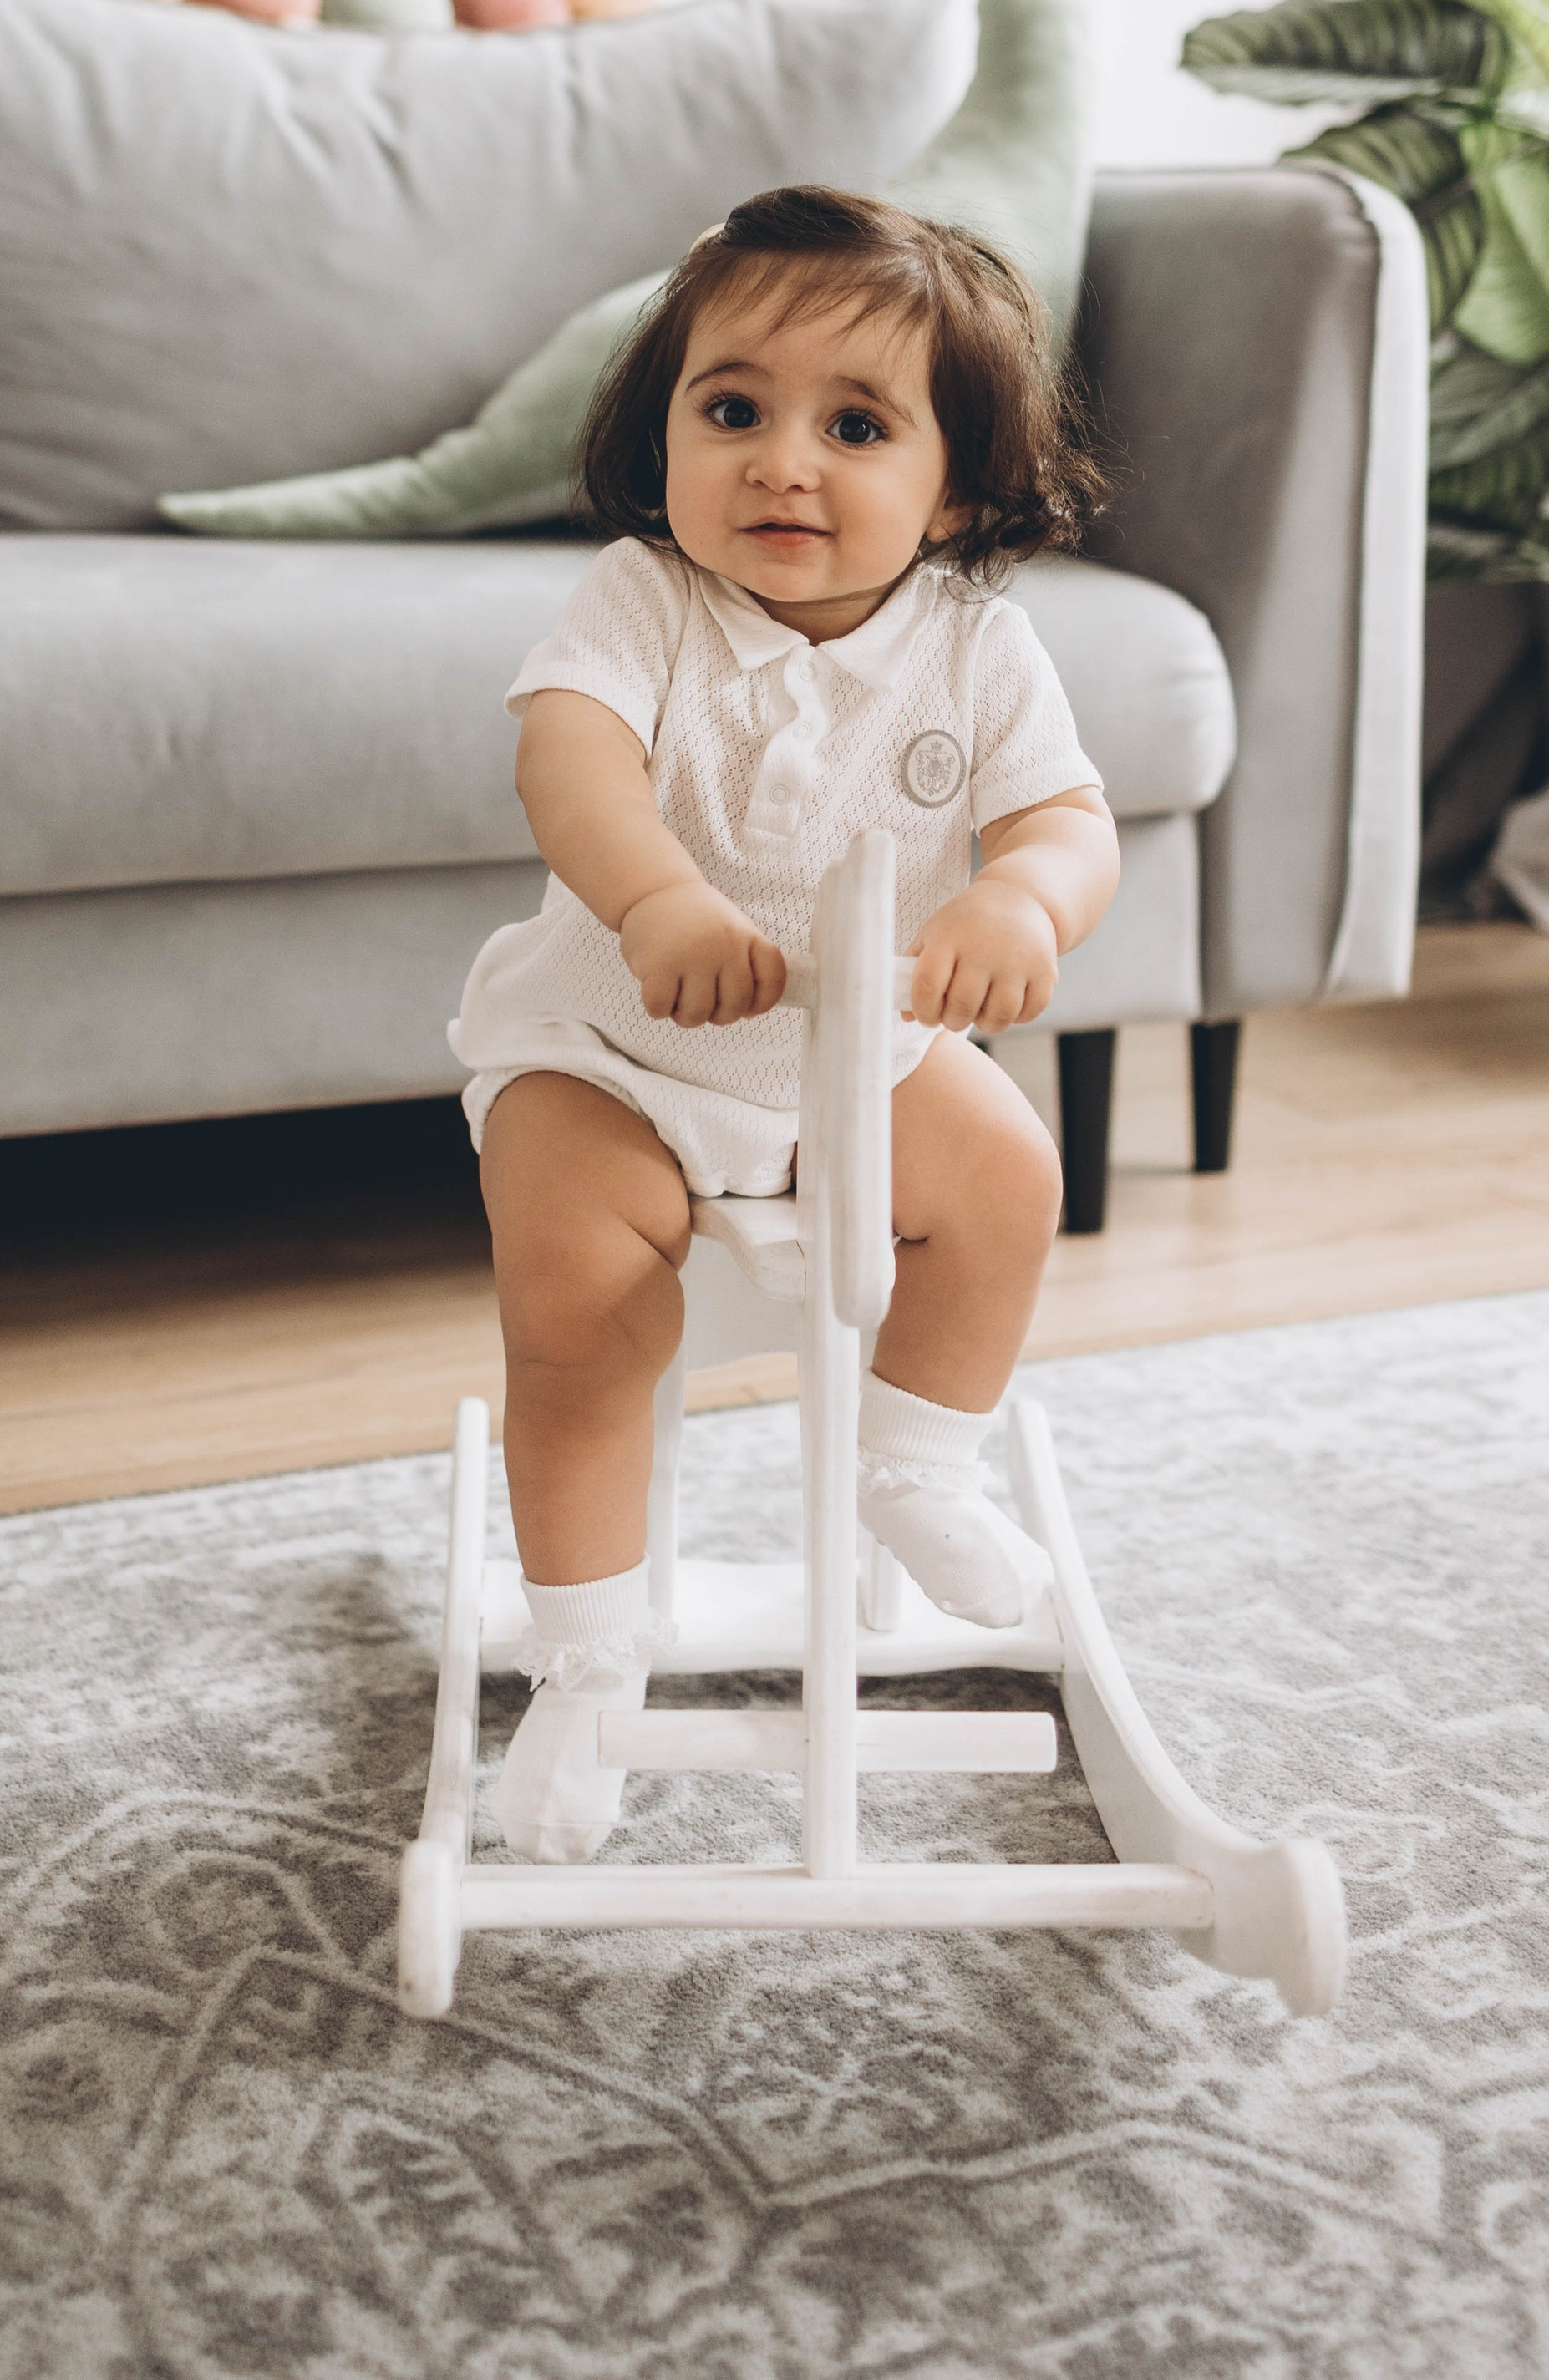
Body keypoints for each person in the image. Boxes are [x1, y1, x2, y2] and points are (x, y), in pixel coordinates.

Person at [451, 185, 1120, 1860]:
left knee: (1006, 1181)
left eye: (854, 424)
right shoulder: (637, 599)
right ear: (660, 424)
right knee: (577, 1302)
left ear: (951, 485)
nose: (779, 461)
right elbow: (570, 760)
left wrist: (1019, 902)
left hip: (848, 1057)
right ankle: (590, 1661)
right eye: (731, 408)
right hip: (607, 1050)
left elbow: (1065, 823)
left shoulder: (975, 649)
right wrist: (657, 898)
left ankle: (914, 1464)